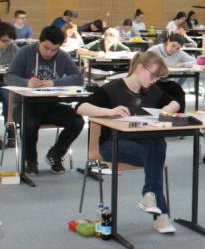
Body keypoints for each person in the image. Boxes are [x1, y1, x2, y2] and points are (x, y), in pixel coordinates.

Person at [76, 51, 182, 233]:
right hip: (112, 144)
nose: (154, 80)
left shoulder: (151, 91)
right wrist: (109, 112)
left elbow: (175, 103)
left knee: (157, 142)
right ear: (140, 68)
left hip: (141, 144)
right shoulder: (113, 88)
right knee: (156, 152)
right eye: (153, 74)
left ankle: (150, 195)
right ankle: (161, 215)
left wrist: (166, 109)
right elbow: (80, 107)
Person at [4, 25, 84, 175]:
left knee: (77, 121)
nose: (49, 53)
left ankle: (55, 154)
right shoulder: (25, 52)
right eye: (46, 48)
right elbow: (9, 76)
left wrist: (55, 83)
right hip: (24, 105)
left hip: (49, 104)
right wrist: (26, 82)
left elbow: (78, 77)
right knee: (30, 123)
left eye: (54, 50)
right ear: (39, 42)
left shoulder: (61, 56)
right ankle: (31, 161)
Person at [0, 22, 20, 147]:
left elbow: (22, 67)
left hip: (6, 83)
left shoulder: (13, 48)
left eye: (9, 41)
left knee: (9, 98)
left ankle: (10, 129)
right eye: (4, 41)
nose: (6, 44)